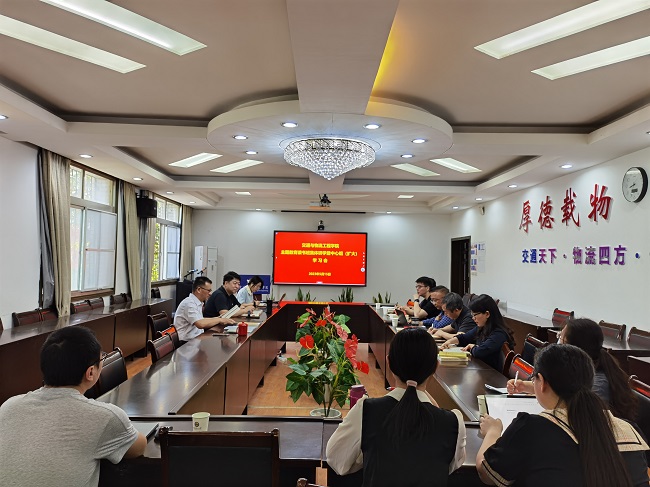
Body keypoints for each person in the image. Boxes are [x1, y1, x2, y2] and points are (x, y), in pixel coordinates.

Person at [477, 344, 648, 486]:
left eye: (534, 379)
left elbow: (487, 472)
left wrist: (493, 431)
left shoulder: (531, 427)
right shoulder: (629, 430)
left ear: (541, 382)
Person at [0, 327, 147, 487]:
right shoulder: (105, 417)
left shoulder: (8, 406)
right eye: (102, 359)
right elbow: (139, 447)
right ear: (90, 373)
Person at [326, 327, 466, 487]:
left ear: (389, 362)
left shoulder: (367, 410)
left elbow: (336, 460)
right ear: (436, 367)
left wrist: (368, 455)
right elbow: (450, 466)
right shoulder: (454, 422)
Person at [507, 318, 637, 421]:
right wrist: (525, 386)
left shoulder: (596, 385)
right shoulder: (577, 371)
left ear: (573, 349)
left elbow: (572, 418)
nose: (557, 342)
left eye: (561, 339)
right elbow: (559, 390)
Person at [440, 294, 515, 371]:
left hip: (493, 374)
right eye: (472, 315)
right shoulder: (482, 327)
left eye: (475, 315)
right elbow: (465, 337)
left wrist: (472, 347)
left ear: (487, 314)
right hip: (482, 369)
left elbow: (480, 352)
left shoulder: (499, 333)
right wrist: (449, 342)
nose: (473, 318)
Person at [174, 276, 235, 341]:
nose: (210, 293)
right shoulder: (189, 303)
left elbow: (201, 319)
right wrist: (219, 320)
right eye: (208, 290)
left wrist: (218, 318)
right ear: (199, 290)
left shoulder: (197, 302)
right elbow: (200, 324)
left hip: (197, 338)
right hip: (186, 342)